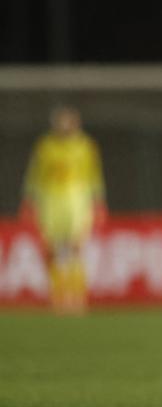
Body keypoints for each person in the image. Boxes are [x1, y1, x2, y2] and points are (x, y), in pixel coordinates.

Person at [19, 106, 107, 314]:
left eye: (69, 121)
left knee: (76, 247)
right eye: (61, 121)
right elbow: (34, 175)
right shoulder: (45, 146)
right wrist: (28, 201)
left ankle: (76, 296)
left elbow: (94, 176)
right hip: (50, 201)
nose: (65, 125)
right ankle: (57, 294)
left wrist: (99, 202)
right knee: (50, 249)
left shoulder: (86, 146)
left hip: (78, 200)